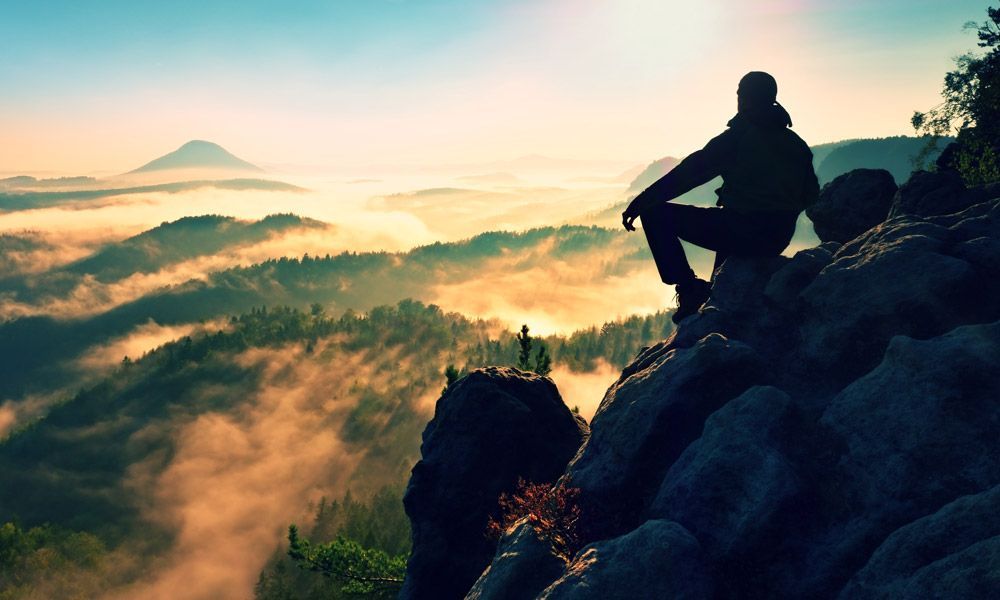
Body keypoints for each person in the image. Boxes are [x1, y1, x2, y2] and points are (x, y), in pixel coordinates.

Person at [622, 71, 819, 323]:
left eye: (740, 92)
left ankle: (689, 288)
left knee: (656, 214)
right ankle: (714, 300)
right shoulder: (796, 144)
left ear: (746, 97)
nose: (737, 96)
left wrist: (642, 201)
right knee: (728, 233)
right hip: (777, 237)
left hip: (743, 231)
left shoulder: (738, 137)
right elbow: (810, 195)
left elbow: (690, 172)